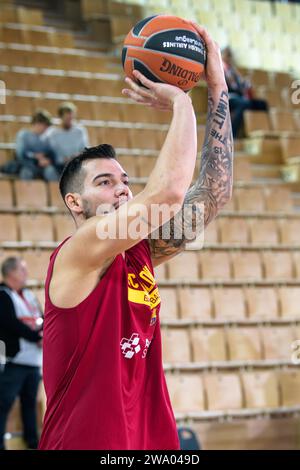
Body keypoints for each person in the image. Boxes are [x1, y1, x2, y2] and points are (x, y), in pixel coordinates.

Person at [38, 24, 233, 450]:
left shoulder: (138, 250)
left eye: (125, 180)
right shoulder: (79, 249)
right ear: (75, 203)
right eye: (105, 182)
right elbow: (167, 192)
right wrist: (181, 99)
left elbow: (214, 193)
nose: (123, 189)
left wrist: (217, 86)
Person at [0, 257, 43, 450]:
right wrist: (36, 336)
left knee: (30, 404)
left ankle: (32, 443)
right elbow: (10, 323)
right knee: (4, 404)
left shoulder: (29, 295)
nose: (26, 274)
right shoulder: (2, 295)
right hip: (14, 360)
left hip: (33, 360)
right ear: (11, 273)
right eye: (22, 270)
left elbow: (41, 317)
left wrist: (43, 334)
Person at [222, 46, 268, 138]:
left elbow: (241, 85)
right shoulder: (221, 68)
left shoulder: (233, 70)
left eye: (230, 55)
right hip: (228, 97)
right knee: (243, 104)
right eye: (227, 55)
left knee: (262, 104)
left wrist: (247, 83)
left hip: (240, 97)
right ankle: (232, 133)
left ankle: (258, 130)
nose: (229, 57)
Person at [16, 110, 59, 181]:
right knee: (26, 172)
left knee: (51, 171)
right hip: (28, 165)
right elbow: (21, 154)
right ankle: (25, 192)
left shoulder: (47, 138)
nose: (46, 129)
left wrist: (48, 160)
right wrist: (35, 157)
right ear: (37, 123)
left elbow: (51, 153)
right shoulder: (23, 135)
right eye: (44, 126)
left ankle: (55, 191)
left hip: (43, 166)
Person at [47, 102, 89, 173]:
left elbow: (84, 149)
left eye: (71, 118)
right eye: (67, 118)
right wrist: (63, 159)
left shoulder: (80, 131)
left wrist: (77, 157)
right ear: (61, 117)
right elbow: (53, 152)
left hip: (76, 164)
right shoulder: (54, 133)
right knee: (49, 171)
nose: (69, 121)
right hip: (60, 166)